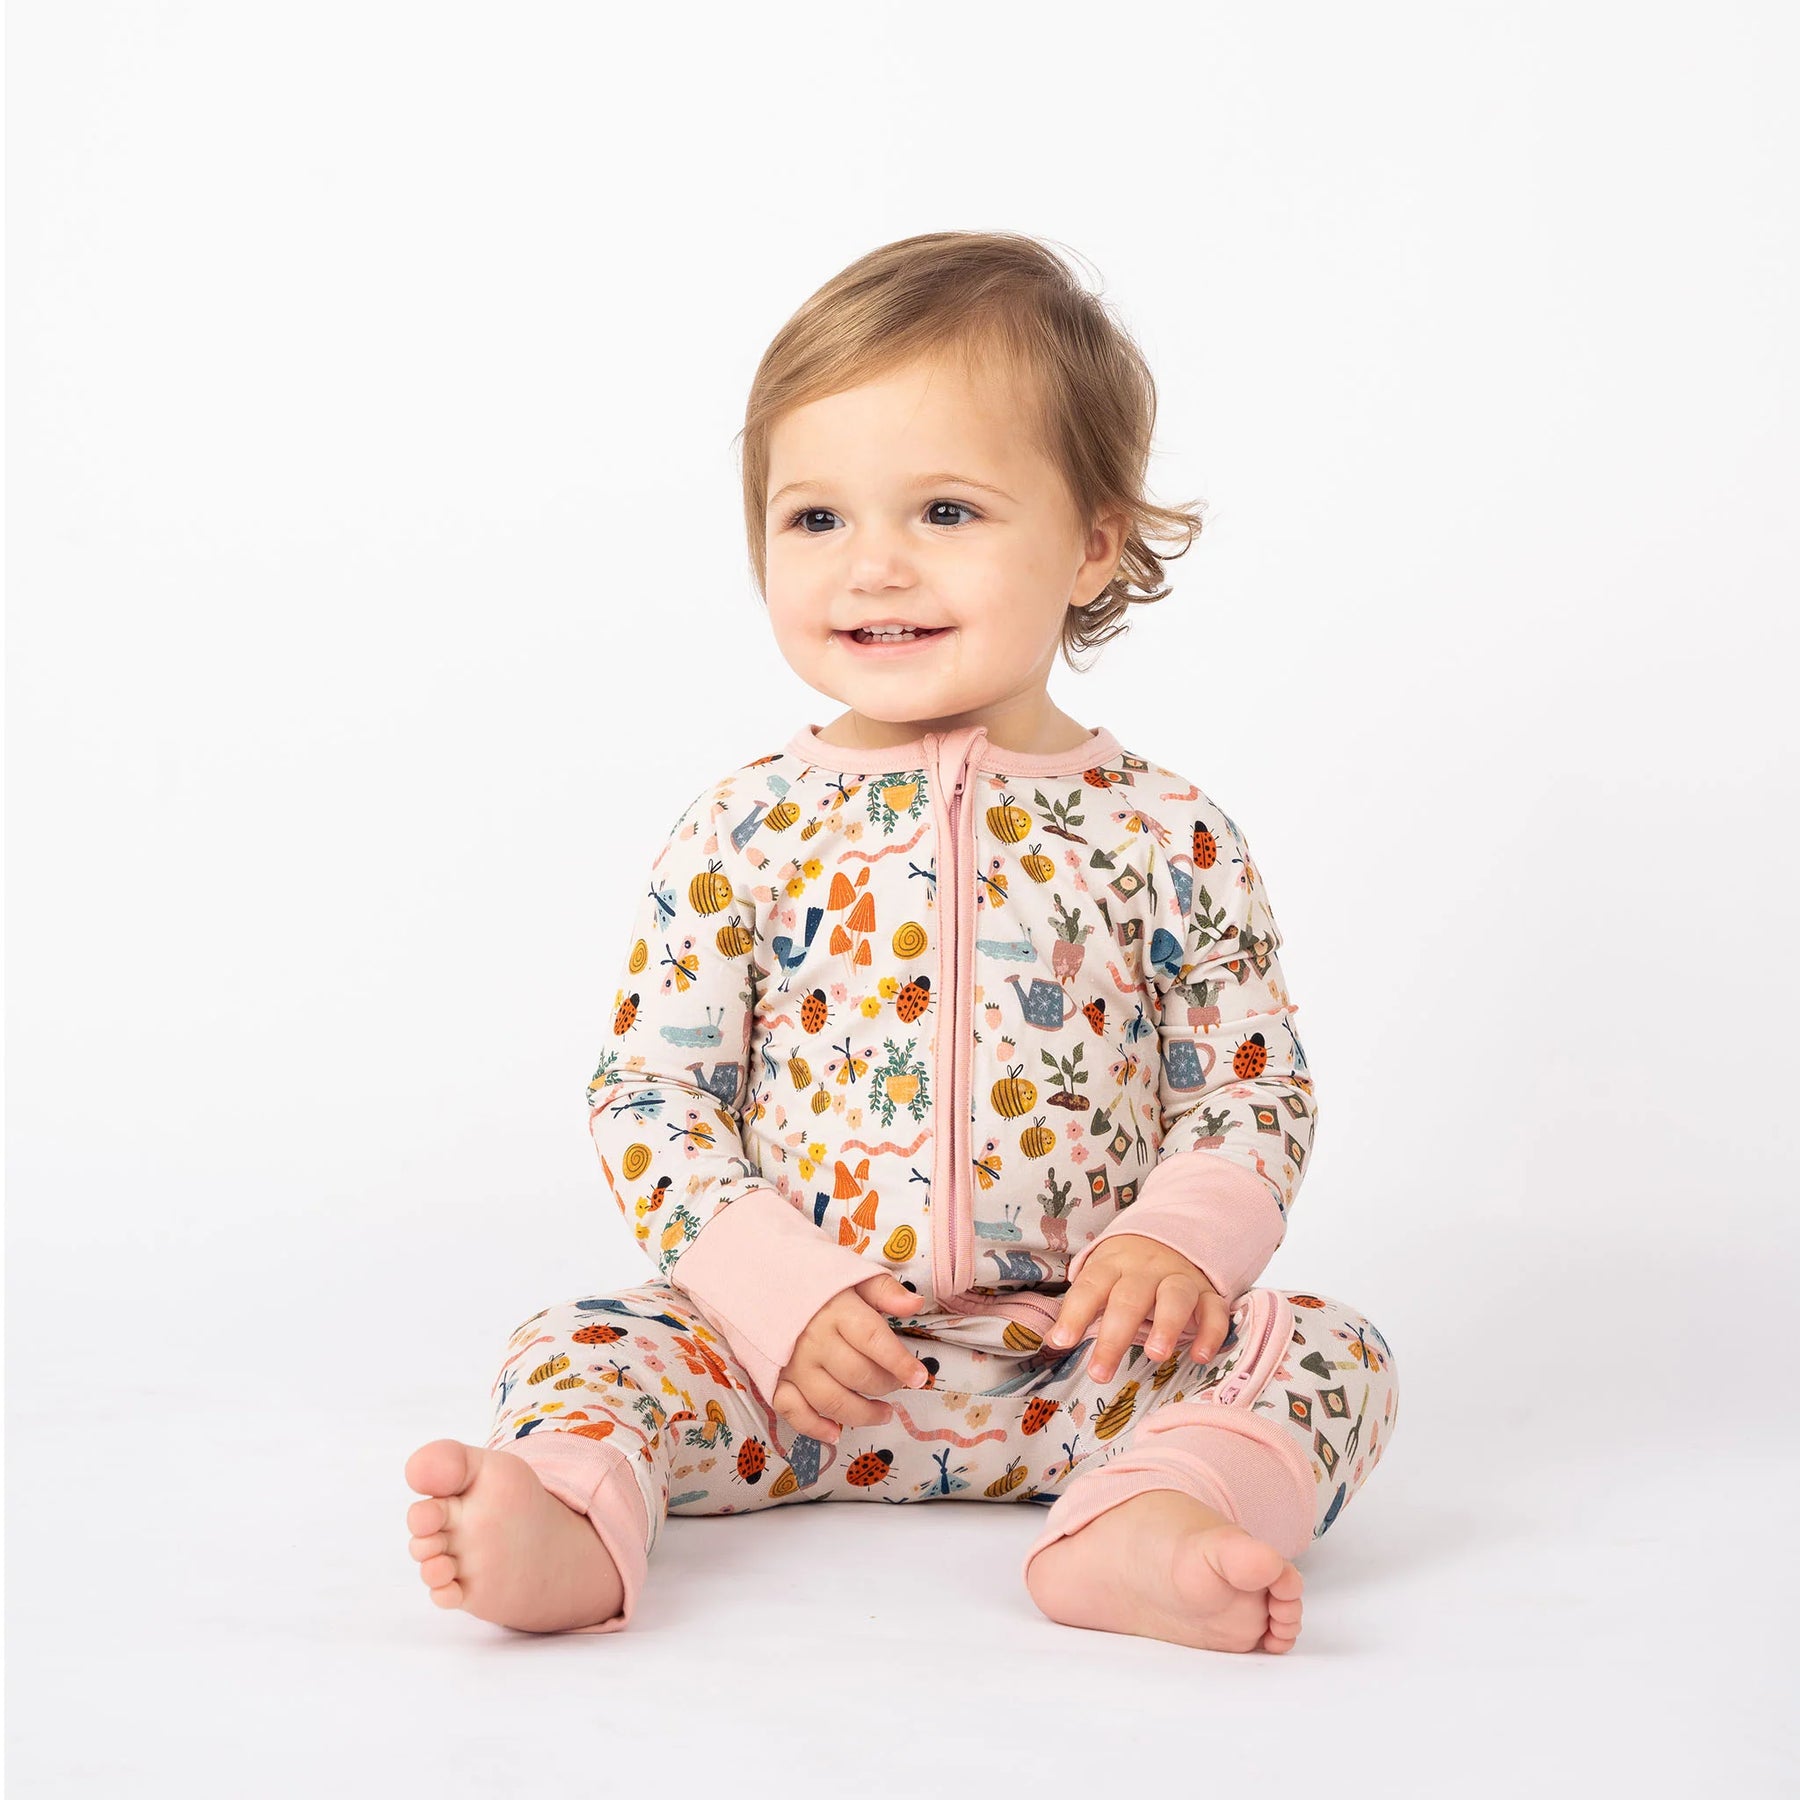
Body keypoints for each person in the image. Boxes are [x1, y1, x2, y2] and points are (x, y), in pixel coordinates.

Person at [403, 230, 1398, 1652]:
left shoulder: (1166, 834)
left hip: (1084, 1362)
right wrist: (773, 1293)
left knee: (1332, 1353)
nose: (871, 565)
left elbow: (1251, 1087)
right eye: (814, 519)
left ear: (1094, 541)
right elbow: (651, 1093)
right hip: (794, 1374)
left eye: (943, 510)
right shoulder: (744, 830)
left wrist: (1178, 1244)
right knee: (580, 1342)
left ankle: (1153, 1514)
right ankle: (569, 1519)